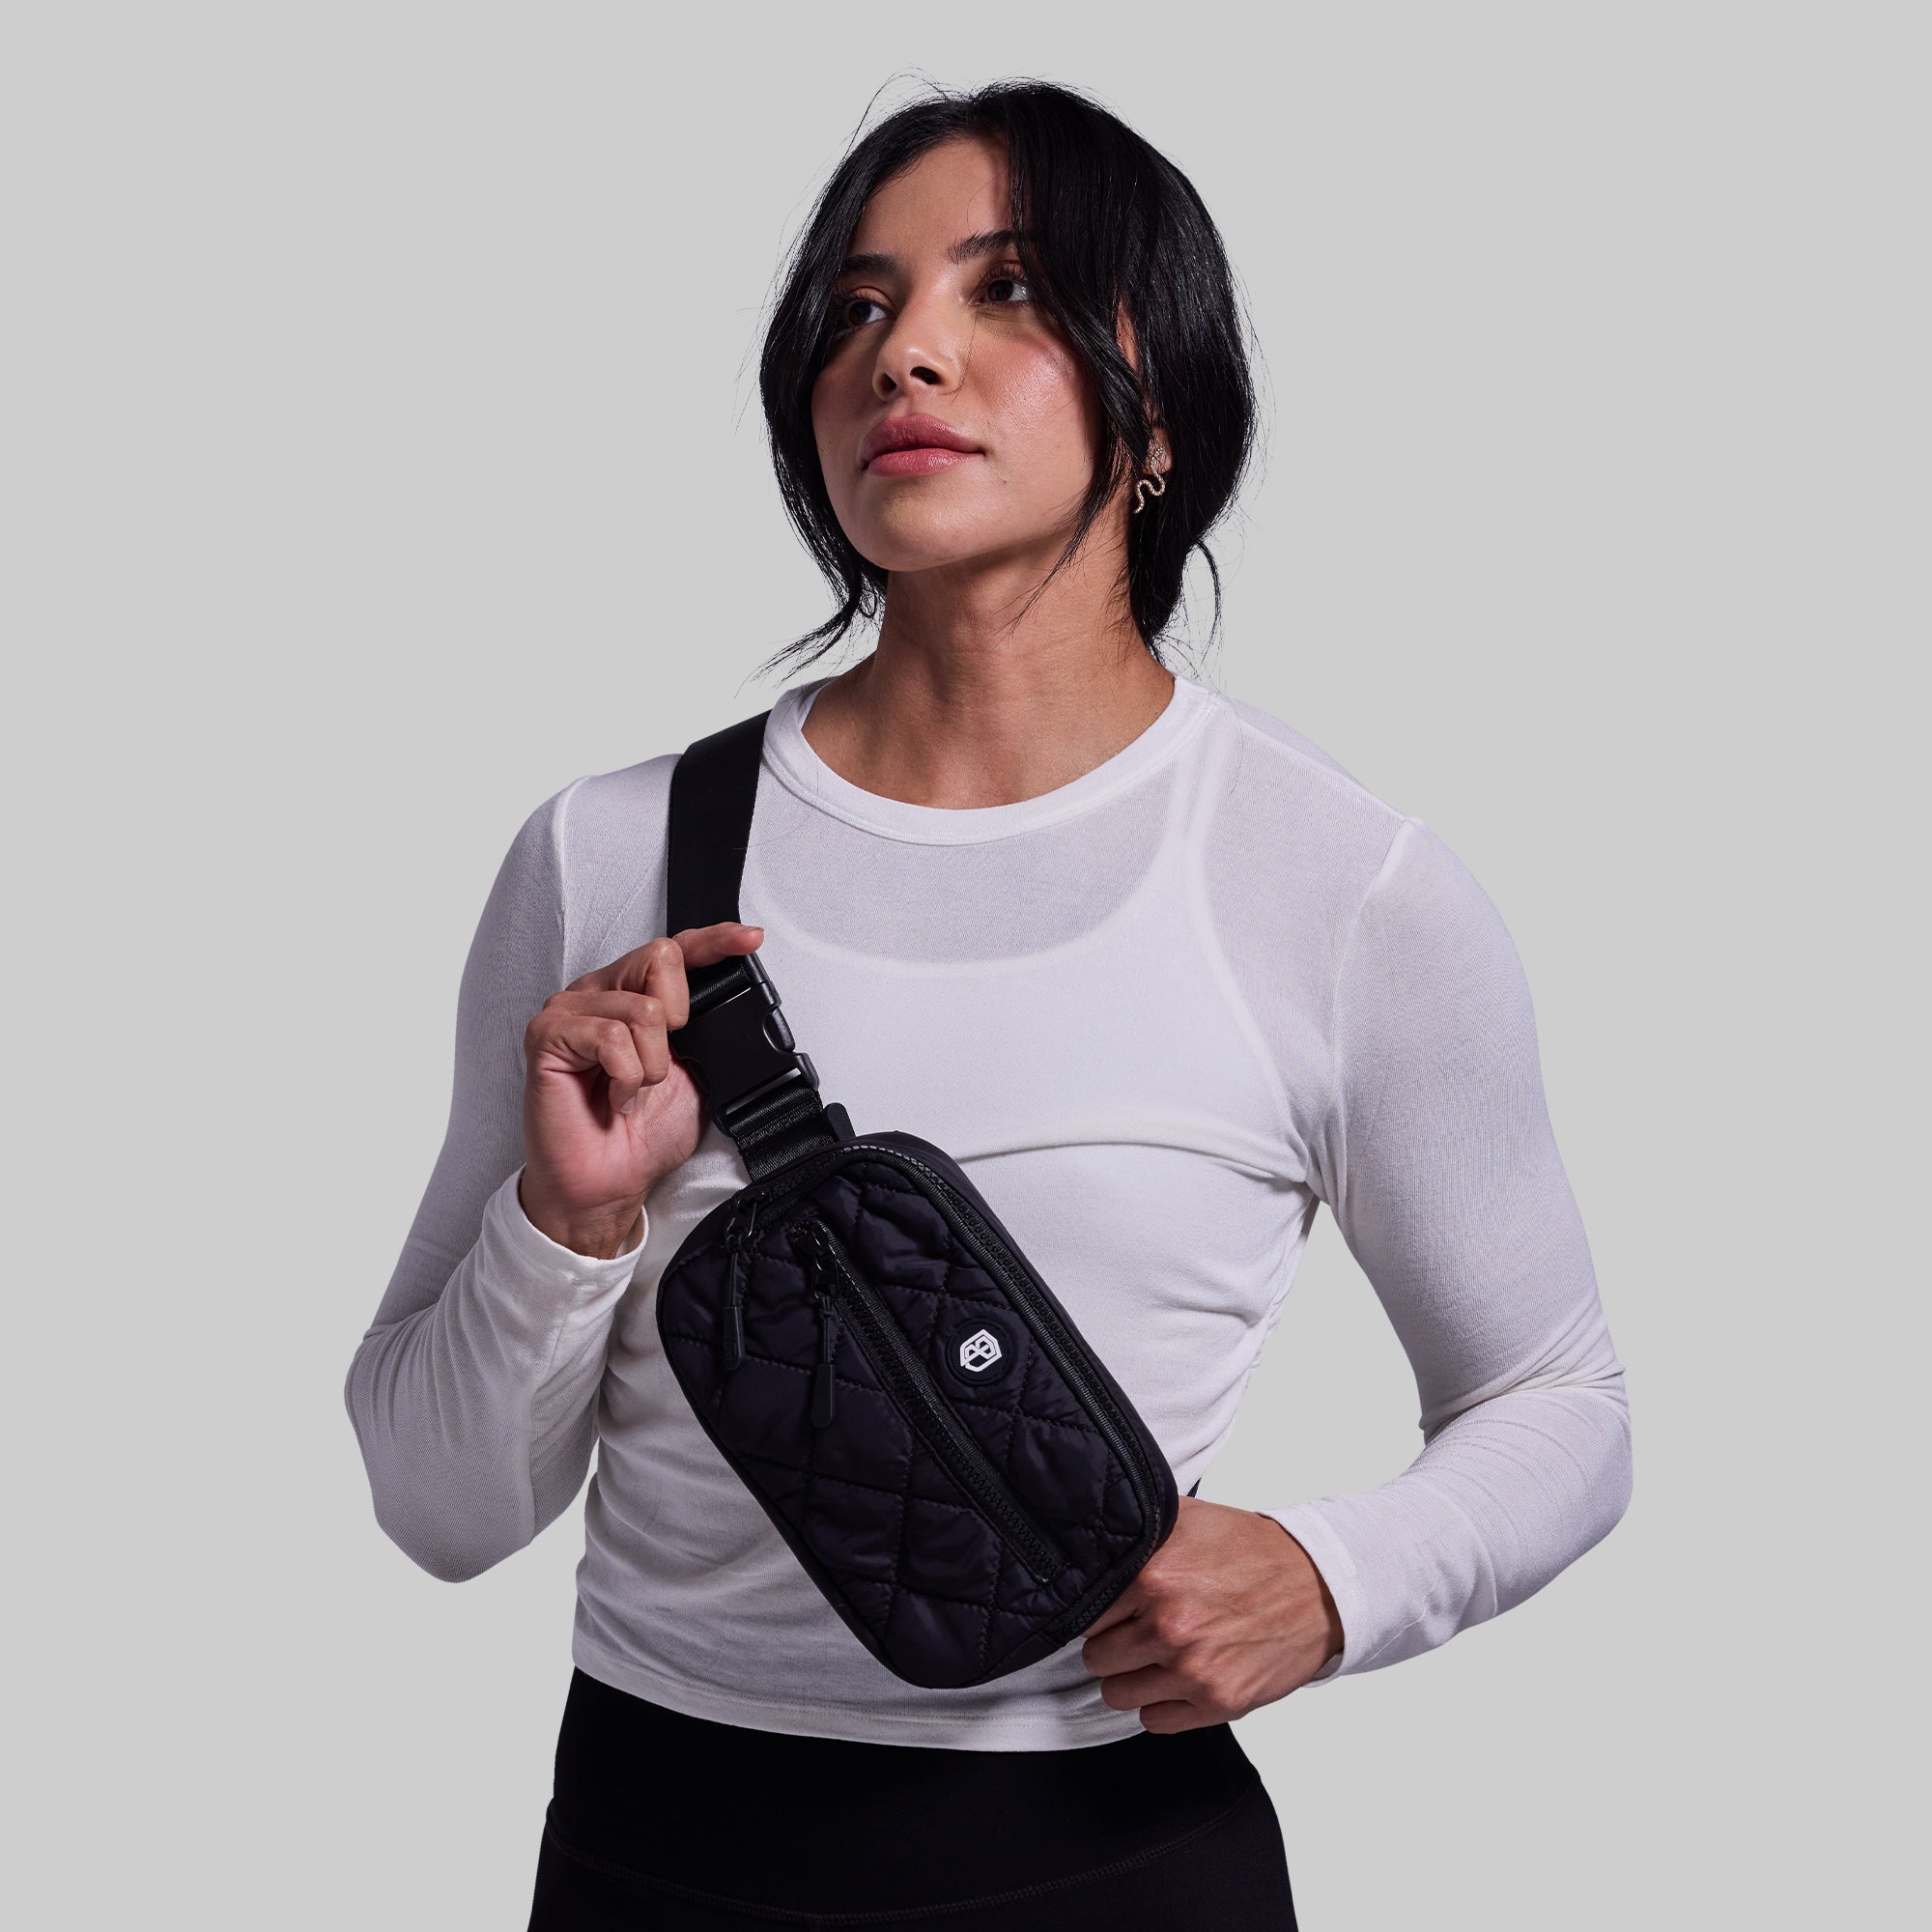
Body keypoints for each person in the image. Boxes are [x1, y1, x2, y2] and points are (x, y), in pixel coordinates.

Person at [345, 79, 1632, 1931]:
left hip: (1115, 1863)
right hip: (647, 1856)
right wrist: (569, 1222)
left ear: (1162, 412)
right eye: (857, 308)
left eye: (1007, 289)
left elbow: (1559, 1399)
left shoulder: (1341, 887)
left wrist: (1338, 1578)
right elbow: (437, 1509)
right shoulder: (611, 852)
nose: (907, 352)